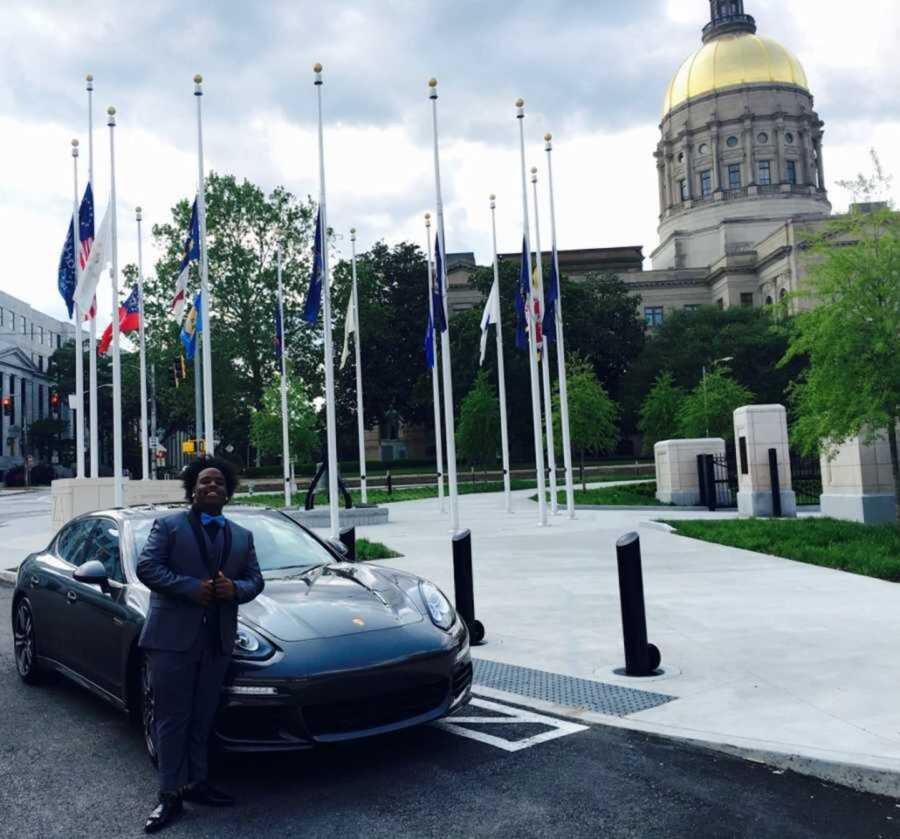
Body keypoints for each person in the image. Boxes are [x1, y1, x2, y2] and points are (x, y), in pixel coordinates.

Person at [137, 456, 264, 833]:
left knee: (203, 715)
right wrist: (193, 589)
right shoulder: (169, 526)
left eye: (219, 483)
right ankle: (169, 795)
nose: (212, 486)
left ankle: (198, 782)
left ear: (228, 493)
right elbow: (148, 568)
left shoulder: (242, 536)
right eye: (205, 482)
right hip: (172, 640)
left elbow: (255, 580)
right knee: (172, 718)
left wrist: (233, 589)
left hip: (217, 641)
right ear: (193, 489)